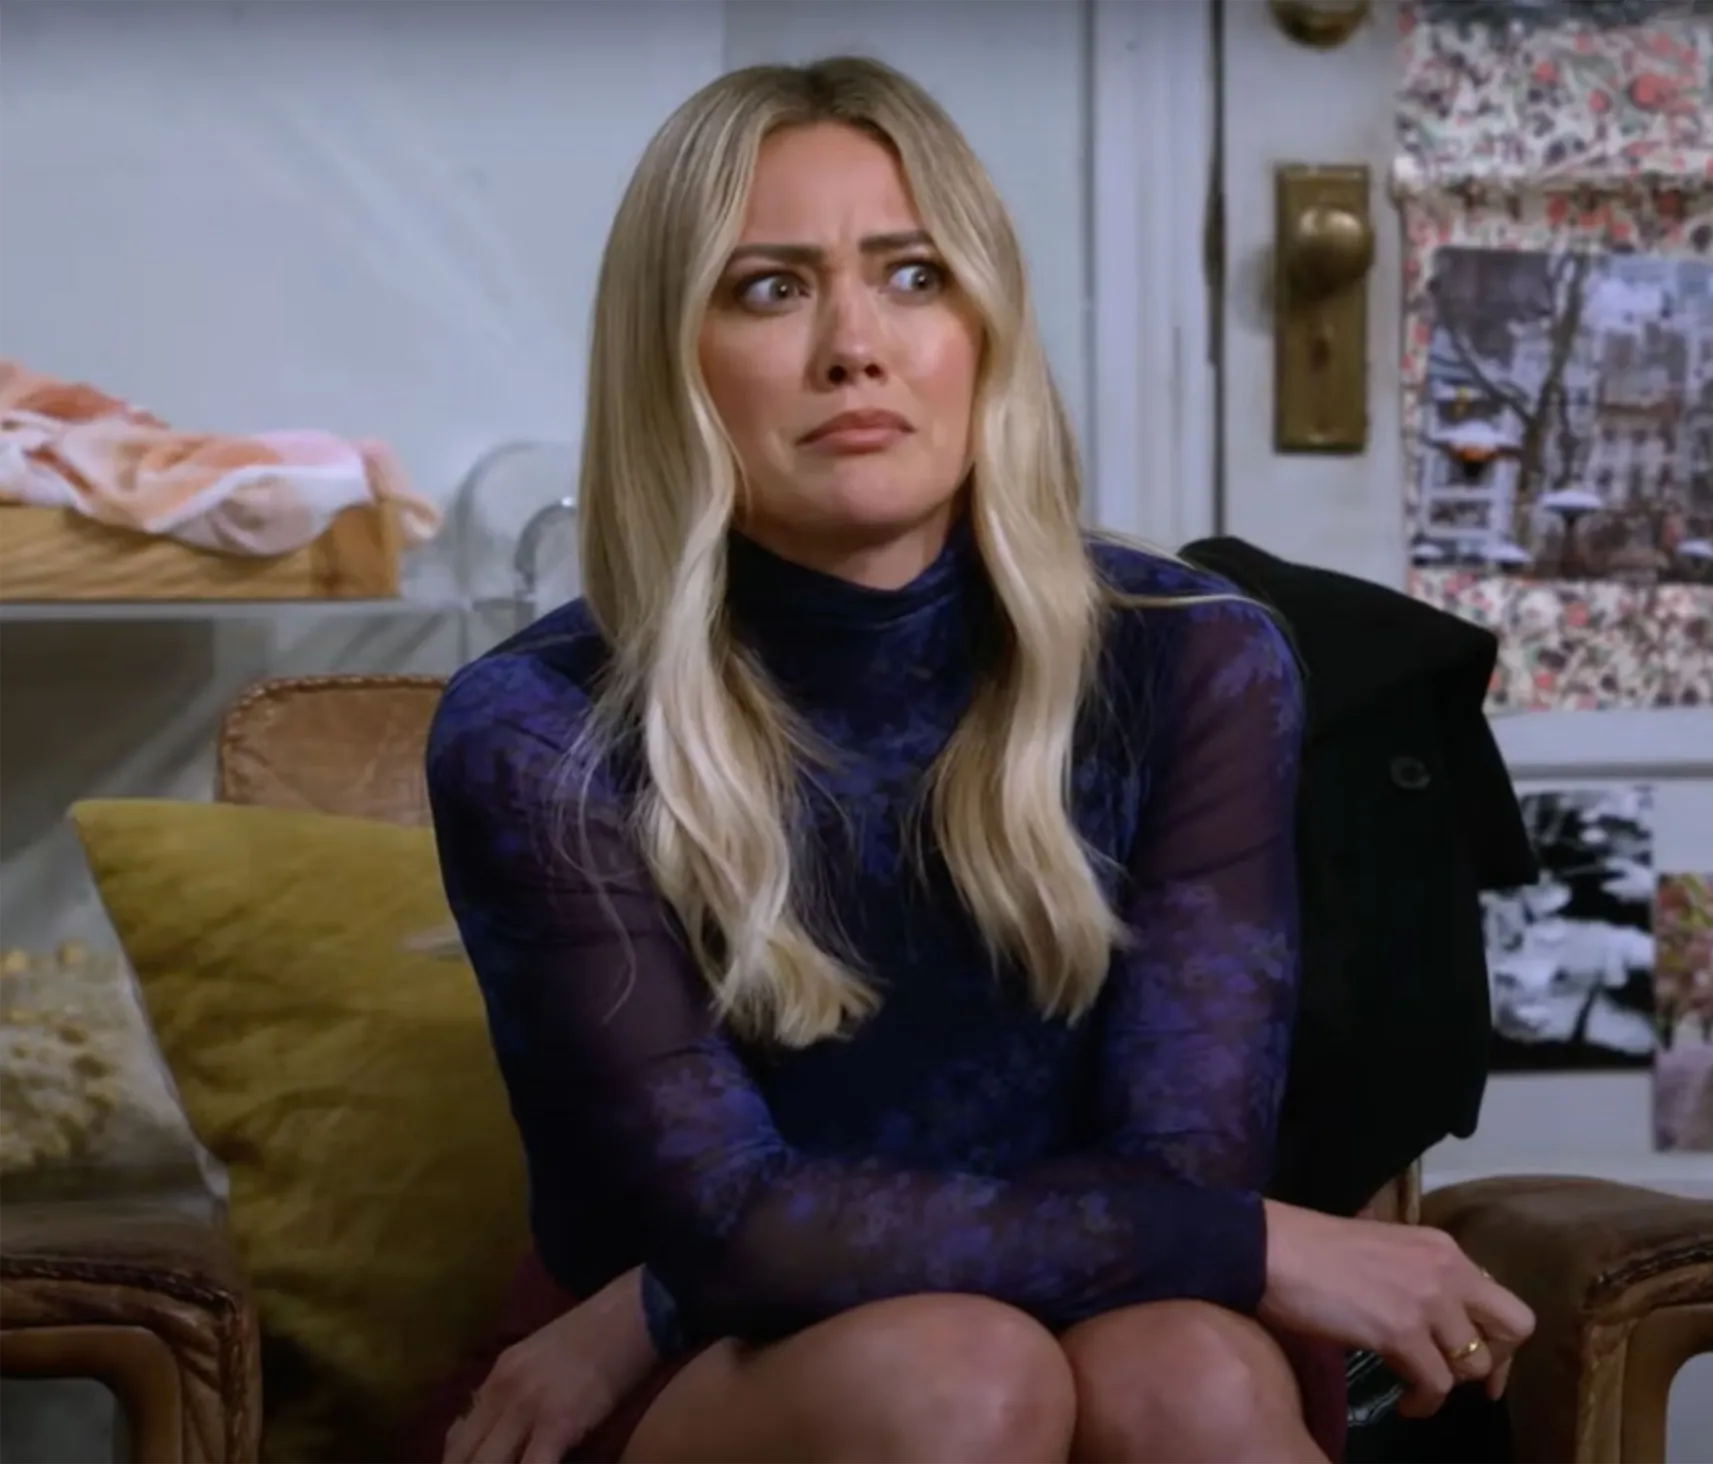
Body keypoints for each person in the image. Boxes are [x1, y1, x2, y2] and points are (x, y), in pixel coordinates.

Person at [411, 55, 1535, 1464]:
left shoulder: (1192, 657)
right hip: (726, 1364)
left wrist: (663, 1293)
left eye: (913, 276)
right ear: (670, 354)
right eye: (770, 288)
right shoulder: (539, 726)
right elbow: (730, 1229)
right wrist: (1261, 1244)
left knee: (1188, 1381)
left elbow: (1184, 1165)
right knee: (960, 1378)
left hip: (1067, 1303)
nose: (853, 345)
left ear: (986, 326)